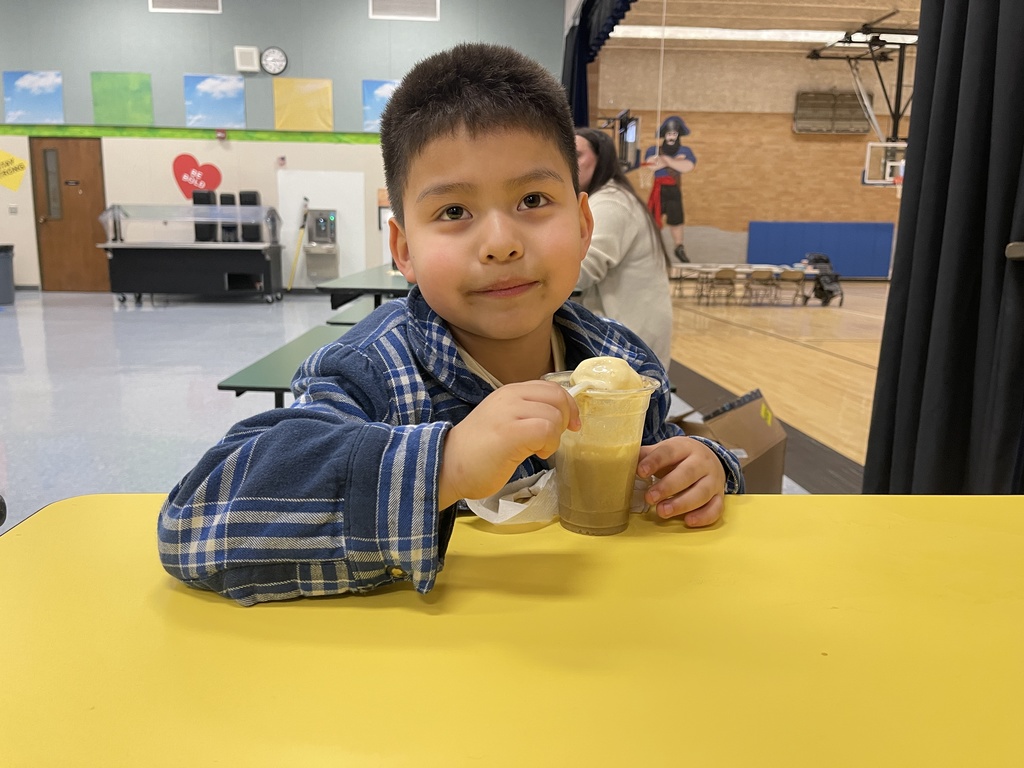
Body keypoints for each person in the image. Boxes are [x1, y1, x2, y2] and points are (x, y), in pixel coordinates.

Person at [157, 43, 744, 606]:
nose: (500, 243)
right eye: (454, 212)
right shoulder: (371, 374)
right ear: (403, 248)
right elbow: (194, 523)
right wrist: (448, 464)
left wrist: (701, 466)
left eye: (533, 201)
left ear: (585, 225)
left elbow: (657, 463)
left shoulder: (622, 361)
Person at [574, 127, 674, 368]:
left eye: (576, 154)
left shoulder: (610, 202)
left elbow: (581, 272)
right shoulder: (609, 197)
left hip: (631, 341)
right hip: (628, 335)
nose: (569, 162)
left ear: (601, 159)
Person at [644, 116, 695, 263]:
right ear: (664, 135)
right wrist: (674, 161)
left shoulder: (686, 150)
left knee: (676, 220)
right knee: (653, 220)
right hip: (658, 190)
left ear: (678, 135)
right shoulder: (653, 149)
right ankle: (652, 249)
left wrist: (664, 161)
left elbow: (687, 166)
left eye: (674, 134)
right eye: (669, 134)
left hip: (673, 190)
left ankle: (679, 247)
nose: (671, 137)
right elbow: (651, 166)